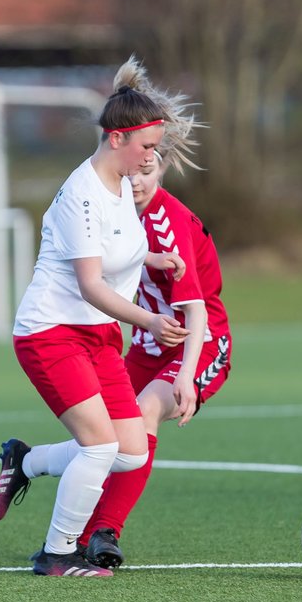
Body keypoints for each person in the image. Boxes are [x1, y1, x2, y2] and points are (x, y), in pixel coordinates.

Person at [0, 57, 193, 578]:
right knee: (100, 447)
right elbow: (90, 283)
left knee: (127, 453)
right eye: (148, 147)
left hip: (99, 337)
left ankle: (24, 462)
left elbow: (113, 251)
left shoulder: (122, 182)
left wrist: (151, 258)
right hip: (51, 335)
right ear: (119, 138)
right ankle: (57, 554)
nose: (153, 158)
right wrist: (148, 321)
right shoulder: (83, 193)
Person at [75, 147, 232, 568]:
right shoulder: (111, 211)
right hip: (146, 346)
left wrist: (186, 378)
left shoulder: (170, 220)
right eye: (133, 171)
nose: (138, 181)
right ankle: (32, 467)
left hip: (198, 342)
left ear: (163, 168)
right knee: (100, 435)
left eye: (149, 170)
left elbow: (196, 311)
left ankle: (103, 533)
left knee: (143, 414)